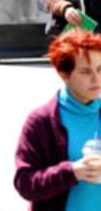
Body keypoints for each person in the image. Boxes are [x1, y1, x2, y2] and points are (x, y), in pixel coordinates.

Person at [14, 29, 101, 210]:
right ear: (64, 75)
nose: (96, 78)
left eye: (100, 69)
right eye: (85, 72)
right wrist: (72, 172)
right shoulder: (41, 122)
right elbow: (25, 183)